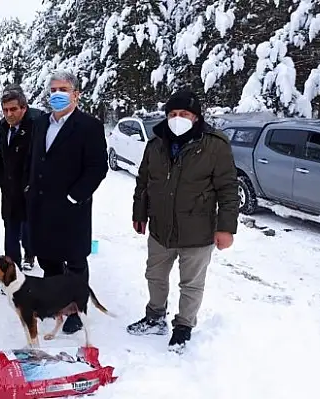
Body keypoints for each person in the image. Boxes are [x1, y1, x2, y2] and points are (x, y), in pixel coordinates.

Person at [128, 89, 239, 351]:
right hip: (160, 228)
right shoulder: (156, 144)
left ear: (196, 116)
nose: (177, 118)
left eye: (184, 114)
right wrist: (139, 213)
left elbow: (228, 188)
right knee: (154, 275)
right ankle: (155, 316)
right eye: (173, 114)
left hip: (197, 231)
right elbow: (143, 182)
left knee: (191, 283)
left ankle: (183, 326)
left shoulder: (215, 144)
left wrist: (226, 228)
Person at [24, 70, 108, 334]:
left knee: (74, 263)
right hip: (42, 206)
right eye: (53, 90)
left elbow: (97, 167)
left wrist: (75, 196)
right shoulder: (40, 123)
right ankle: (54, 303)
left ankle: (75, 310)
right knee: (49, 260)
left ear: (76, 94)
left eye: (63, 90)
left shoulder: (89, 126)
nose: (57, 95)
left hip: (72, 209)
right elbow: (36, 159)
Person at [0, 84, 44, 270]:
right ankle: (12, 269)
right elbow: (3, 154)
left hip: (29, 187)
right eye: (5, 110)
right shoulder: (3, 125)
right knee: (10, 229)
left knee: (29, 227)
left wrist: (34, 183)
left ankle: (30, 255)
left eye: (13, 109)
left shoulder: (37, 124)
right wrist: (0, 177)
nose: (9, 114)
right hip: (9, 187)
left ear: (24, 108)